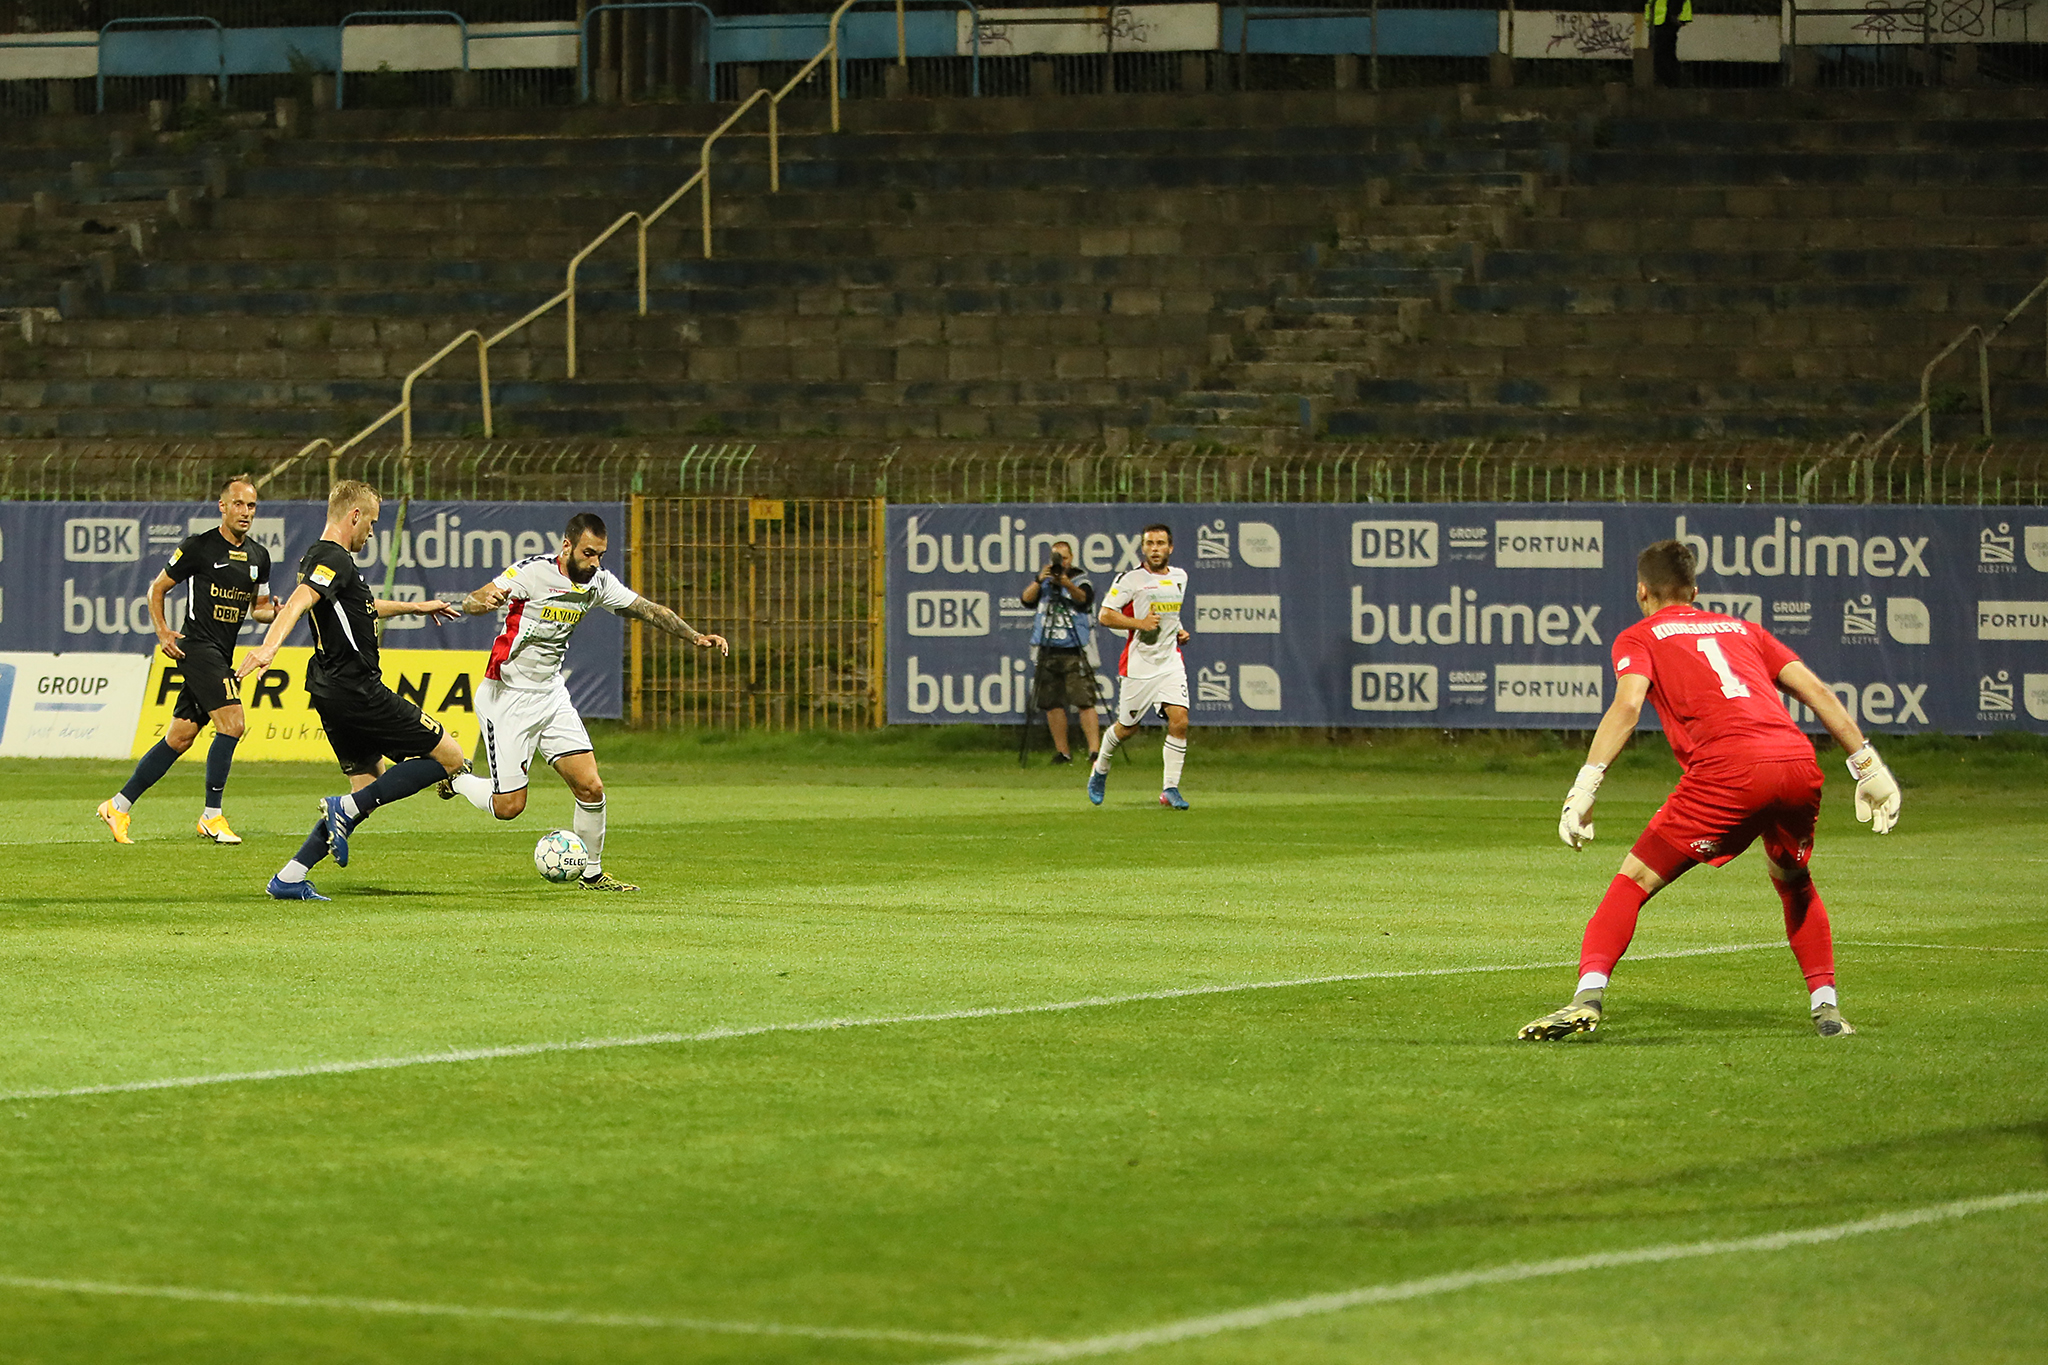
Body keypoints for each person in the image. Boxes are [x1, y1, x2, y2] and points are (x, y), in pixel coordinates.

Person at [1520, 539, 1902, 1042]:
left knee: (1633, 880)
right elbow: (1817, 692)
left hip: (1729, 771)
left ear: (1642, 591)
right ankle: (1827, 1010)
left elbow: (1628, 707)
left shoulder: (1639, 636)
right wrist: (1868, 766)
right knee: (1793, 878)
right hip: (1795, 763)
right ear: (1694, 591)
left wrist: (1586, 783)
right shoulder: (1744, 630)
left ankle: (1586, 998)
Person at [437, 511, 729, 892]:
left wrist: (695, 637)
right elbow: (472, 600)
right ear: (567, 546)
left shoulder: (598, 582)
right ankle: (458, 779)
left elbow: (647, 609)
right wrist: (484, 600)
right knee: (509, 807)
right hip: (507, 696)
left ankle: (592, 874)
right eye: (588, 553)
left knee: (591, 788)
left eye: (600, 555)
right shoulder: (533, 573)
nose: (595, 562)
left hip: (551, 695)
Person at [234, 480, 466, 902]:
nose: (372, 532)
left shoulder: (324, 559)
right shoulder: (333, 558)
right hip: (357, 689)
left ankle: (290, 876)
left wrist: (416, 607)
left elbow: (364, 608)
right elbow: (299, 600)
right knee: (450, 758)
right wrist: (269, 648)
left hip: (330, 689)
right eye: (371, 522)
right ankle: (341, 809)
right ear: (354, 516)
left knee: (367, 788)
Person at [98, 474, 276, 846]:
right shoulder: (199, 547)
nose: (246, 512)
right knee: (233, 724)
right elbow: (157, 588)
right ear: (222, 507)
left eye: (252, 505)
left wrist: (280, 611)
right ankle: (212, 816)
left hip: (221, 653)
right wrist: (163, 631)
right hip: (197, 648)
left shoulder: (259, 556)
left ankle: (117, 805)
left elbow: (259, 609)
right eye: (239, 504)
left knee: (180, 737)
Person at [1087, 523, 1192, 810]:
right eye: (1150, 544)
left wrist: (1179, 631)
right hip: (1139, 665)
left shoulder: (1180, 577)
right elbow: (1105, 615)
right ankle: (1101, 767)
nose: (1155, 549)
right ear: (1143, 548)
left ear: (1170, 547)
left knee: (1180, 720)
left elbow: (1169, 615)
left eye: (1160, 543)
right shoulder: (1131, 579)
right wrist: (1139, 624)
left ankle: (1170, 789)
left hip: (1170, 662)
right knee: (1127, 728)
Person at [1019, 538, 1100, 765]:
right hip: (1047, 649)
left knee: (1084, 701)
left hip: (1075, 649)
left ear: (1071, 558)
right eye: (1056, 558)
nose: (1060, 562)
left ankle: (1095, 752)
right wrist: (1039, 580)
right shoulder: (1045, 581)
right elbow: (1026, 600)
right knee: (1051, 703)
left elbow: (1084, 600)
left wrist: (1066, 584)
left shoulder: (1081, 579)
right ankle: (1063, 752)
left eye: (1064, 558)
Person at [1646, 0, 1690, 87]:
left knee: (1663, 52)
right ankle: (1668, 80)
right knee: (1665, 52)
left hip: (1665, 20)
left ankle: (1667, 80)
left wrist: (1673, 15)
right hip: (1662, 20)